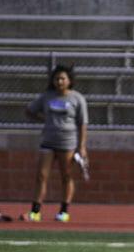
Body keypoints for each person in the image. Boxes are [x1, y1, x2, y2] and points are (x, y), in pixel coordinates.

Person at [22, 64, 88, 223]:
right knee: (41, 175)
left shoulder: (77, 98)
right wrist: (44, 120)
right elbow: (29, 110)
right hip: (48, 141)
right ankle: (35, 211)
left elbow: (83, 123)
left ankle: (64, 211)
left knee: (66, 176)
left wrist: (82, 146)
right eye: (57, 78)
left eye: (63, 78)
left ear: (69, 80)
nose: (59, 81)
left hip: (68, 143)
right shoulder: (47, 97)